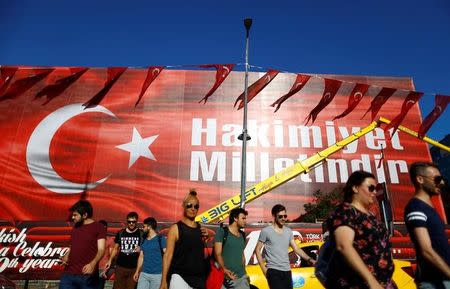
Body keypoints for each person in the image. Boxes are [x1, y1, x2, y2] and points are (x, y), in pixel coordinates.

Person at [325, 170, 395, 289]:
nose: (375, 192)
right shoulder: (346, 211)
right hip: (359, 284)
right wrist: (371, 281)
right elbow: (344, 246)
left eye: (376, 188)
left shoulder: (371, 216)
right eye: (371, 188)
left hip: (383, 283)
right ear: (355, 188)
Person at [404, 162, 450, 289]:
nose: (441, 183)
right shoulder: (416, 207)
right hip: (434, 282)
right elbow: (426, 250)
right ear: (420, 180)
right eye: (437, 179)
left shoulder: (428, 208)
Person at [255, 204, 316, 289]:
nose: (283, 218)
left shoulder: (288, 231)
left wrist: (310, 259)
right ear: (274, 216)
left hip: (287, 271)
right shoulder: (266, 231)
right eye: (280, 216)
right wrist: (263, 268)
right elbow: (257, 250)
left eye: (285, 216)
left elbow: (297, 249)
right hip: (273, 271)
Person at [159, 189, 208, 289]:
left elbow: (201, 256)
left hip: (199, 280)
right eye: (189, 205)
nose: (193, 208)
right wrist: (163, 280)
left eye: (196, 206)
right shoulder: (176, 228)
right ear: (183, 206)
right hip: (179, 278)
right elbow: (168, 255)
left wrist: (206, 240)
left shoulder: (201, 229)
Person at [59, 200, 106, 289]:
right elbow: (72, 246)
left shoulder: (99, 227)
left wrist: (93, 264)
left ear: (85, 215)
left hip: (87, 276)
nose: (72, 217)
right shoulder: (75, 227)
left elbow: (101, 249)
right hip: (68, 274)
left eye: (75, 215)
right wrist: (66, 256)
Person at [105, 212, 144, 289]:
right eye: (129, 222)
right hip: (121, 267)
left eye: (133, 222)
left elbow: (145, 250)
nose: (131, 224)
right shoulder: (121, 233)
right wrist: (110, 260)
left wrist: (141, 249)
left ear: (137, 221)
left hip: (134, 268)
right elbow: (116, 248)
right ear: (127, 221)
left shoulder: (141, 234)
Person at [214, 208, 249, 289]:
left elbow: (242, 255)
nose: (245, 221)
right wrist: (224, 270)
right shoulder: (222, 232)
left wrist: (245, 273)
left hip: (241, 278)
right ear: (235, 218)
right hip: (224, 279)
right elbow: (217, 253)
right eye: (243, 218)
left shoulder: (243, 235)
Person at [134, 217, 167, 289]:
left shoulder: (160, 238)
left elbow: (166, 255)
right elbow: (141, 256)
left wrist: (165, 274)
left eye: (144, 226)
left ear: (149, 227)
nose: (143, 228)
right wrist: (137, 271)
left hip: (157, 275)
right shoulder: (144, 240)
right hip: (144, 274)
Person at [98, 220, 115, 289]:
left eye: (104, 228)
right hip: (92, 268)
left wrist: (106, 269)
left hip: (103, 268)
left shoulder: (110, 240)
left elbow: (111, 256)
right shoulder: (93, 240)